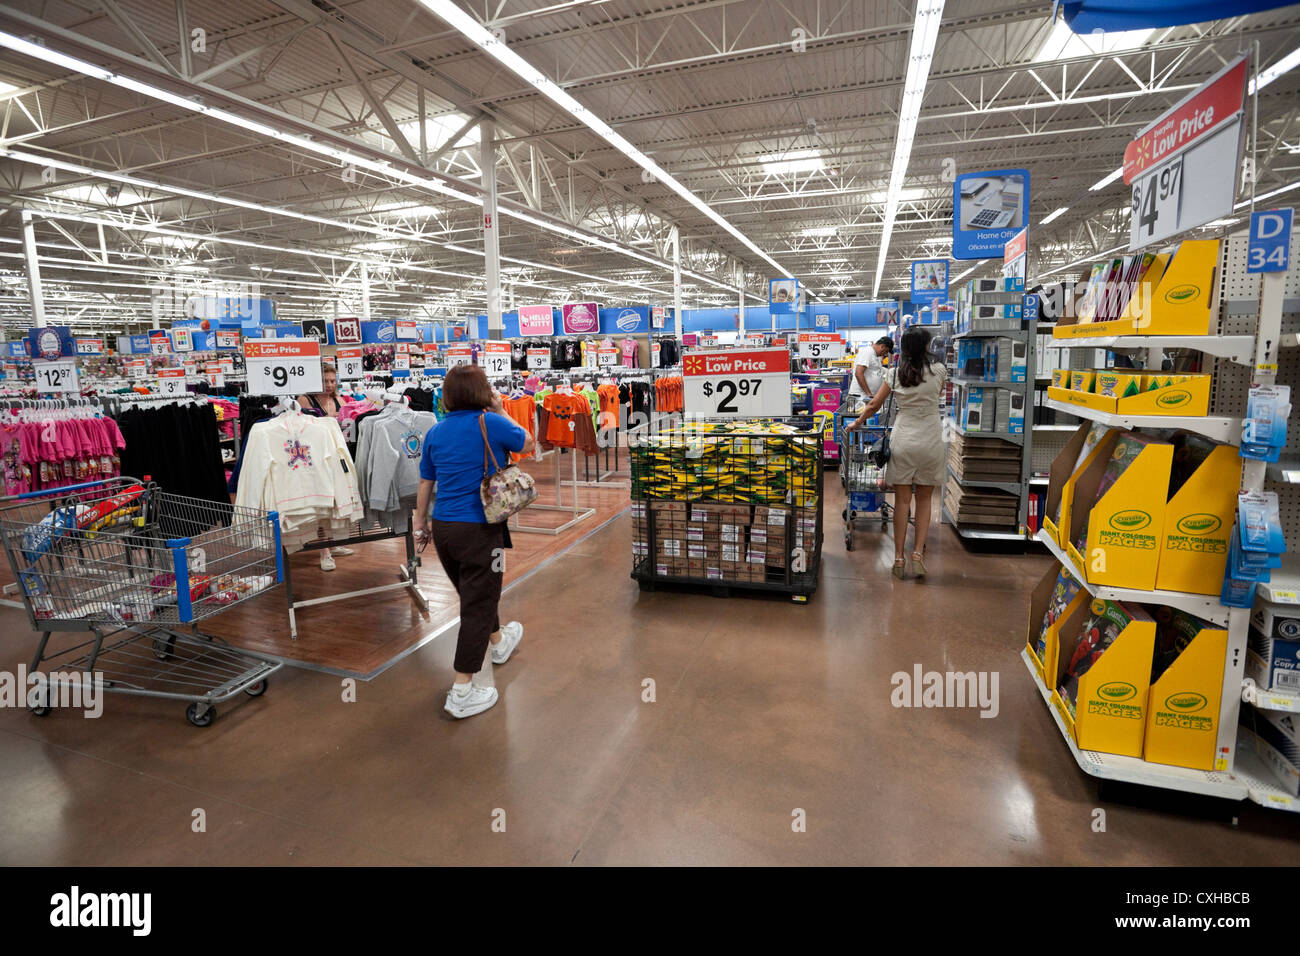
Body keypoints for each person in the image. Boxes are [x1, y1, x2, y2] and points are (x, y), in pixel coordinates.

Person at [414, 364, 535, 719]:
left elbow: (426, 483)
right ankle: (462, 689)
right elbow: (529, 443)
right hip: (482, 530)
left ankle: (498, 643)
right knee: (478, 603)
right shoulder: (492, 422)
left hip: (445, 530)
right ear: (483, 391)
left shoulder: (435, 432)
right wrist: (500, 409)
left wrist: (419, 524)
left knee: (475, 592)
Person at [848, 326, 946, 580]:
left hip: (904, 438)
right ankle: (917, 555)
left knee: (902, 501)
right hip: (932, 438)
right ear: (926, 347)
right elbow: (938, 394)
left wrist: (856, 423)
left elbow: (873, 405)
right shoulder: (939, 370)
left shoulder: (894, 374)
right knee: (924, 501)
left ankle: (899, 558)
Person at [297, 365, 353, 571]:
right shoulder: (305, 401)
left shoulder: (341, 401)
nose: (329, 385)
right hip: (316, 459)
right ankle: (324, 551)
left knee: (335, 502)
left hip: (338, 458)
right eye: (325, 381)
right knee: (321, 504)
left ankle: (334, 543)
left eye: (332, 380)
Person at [849, 335, 894, 403]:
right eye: (886, 351)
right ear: (882, 346)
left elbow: (876, 371)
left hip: (867, 397)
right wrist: (868, 393)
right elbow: (858, 373)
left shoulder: (875, 355)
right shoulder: (867, 352)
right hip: (861, 396)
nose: (884, 354)